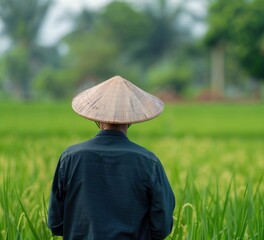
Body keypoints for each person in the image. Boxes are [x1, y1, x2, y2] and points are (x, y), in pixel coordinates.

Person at [48, 75, 175, 240]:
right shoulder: (148, 162)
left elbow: (56, 223)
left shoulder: (70, 158)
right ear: (130, 120)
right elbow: (162, 226)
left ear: (98, 119)